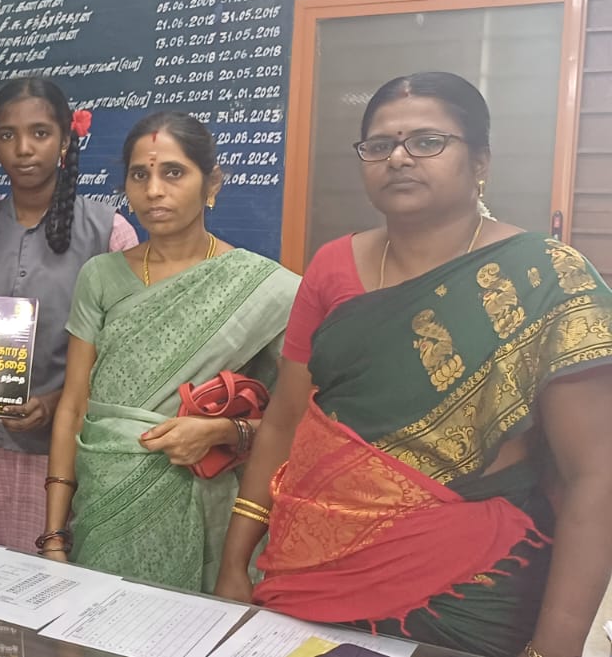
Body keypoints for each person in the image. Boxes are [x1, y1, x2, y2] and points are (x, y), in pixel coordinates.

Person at [215, 72, 612, 657]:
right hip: (307, 573)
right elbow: (284, 423)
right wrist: (233, 563)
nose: (399, 157)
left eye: (427, 141)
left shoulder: (547, 279)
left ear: (480, 161)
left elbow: (595, 477)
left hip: (467, 591)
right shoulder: (330, 266)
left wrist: (557, 647)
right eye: (379, 145)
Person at [40, 111, 298, 593]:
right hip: (102, 501)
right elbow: (74, 405)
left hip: (206, 505)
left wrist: (225, 430)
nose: (154, 190)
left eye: (173, 173)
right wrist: (55, 532)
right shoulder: (100, 275)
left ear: (211, 182)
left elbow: (299, 423)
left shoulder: (265, 289)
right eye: (140, 175)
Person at [0, 77, 139, 551]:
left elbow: (125, 358)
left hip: (63, 453)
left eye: (40, 133)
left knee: (48, 590)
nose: (23, 149)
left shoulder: (110, 232)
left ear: (66, 140)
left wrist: (55, 400)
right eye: (8, 135)